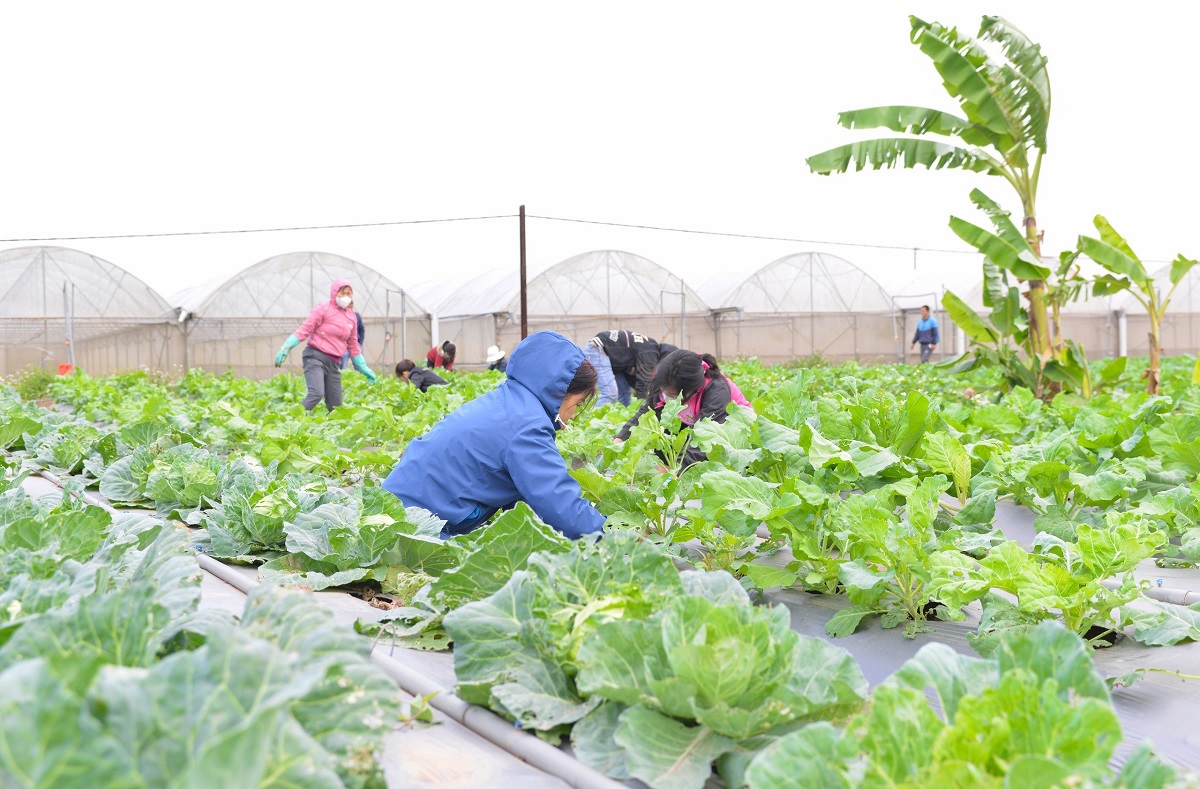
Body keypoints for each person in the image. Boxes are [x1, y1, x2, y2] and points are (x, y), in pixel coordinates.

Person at [383, 331, 605, 540]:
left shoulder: (510, 402)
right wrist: (615, 534)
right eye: (578, 404)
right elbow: (561, 507)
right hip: (411, 527)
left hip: (394, 508)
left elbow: (528, 499)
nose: (573, 415)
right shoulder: (527, 426)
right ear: (559, 392)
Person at [616, 349, 746, 468]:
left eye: (672, 395)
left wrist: (678, 471)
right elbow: (646, 414)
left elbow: (704, 437)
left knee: (700, 461)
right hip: (691, 422)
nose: (666, 396)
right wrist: (620, 439)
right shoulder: (665, 380)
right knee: (664, 431)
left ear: (691, 391)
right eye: (664, 391)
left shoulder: (716, 391)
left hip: (731, 433)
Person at [274, 278, 377, 412]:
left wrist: (363, 367)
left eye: (348, 293)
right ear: (334, 293)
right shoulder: (323, 309)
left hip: (334, 363)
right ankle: (291, 418)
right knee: (316, 393)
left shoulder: (352, 317)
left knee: (337, 408)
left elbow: (353, 344)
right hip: (315, 357)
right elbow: (305, 329)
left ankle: (332, 426)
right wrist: (286, 347)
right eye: (342, 293)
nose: (346, 297)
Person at [587, 330, 669, 406]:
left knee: (624, 396)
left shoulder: (649, 346)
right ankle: (593, 417)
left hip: (612, 360)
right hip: (597, 350)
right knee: (609, 394)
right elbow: (644, 379)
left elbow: (634, 377)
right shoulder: (651, 351)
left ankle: (625, 417)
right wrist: (642, 406)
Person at [340, 303, 366, 369]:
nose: (350, 309)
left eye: (351, 307)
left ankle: (359, 374)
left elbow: (362, 329)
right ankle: (342, 373)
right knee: (343, 363)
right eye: (349, 307)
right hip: (344, 345)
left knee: (358, 364)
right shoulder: (340, 316)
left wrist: (360, 342)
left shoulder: (356, 316)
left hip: (355, 344)